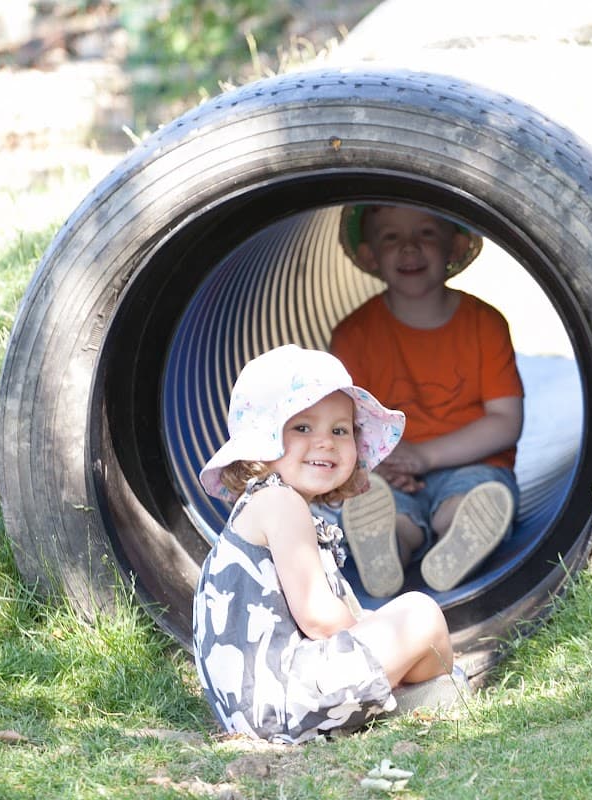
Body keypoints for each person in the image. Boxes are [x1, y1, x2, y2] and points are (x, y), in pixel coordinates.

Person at [193, 344, 465, 744]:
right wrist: (370, 640)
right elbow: (319, 617)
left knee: (389, 621)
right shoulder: (281, 503)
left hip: (262, 706)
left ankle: (404, 690)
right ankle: (414, 692)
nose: (325, 442)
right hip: (284, 703)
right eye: (302, 428)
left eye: (340, 430)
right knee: (419, 614)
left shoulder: (266, 504)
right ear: (262, 440)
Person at [331, 203, 524, 597]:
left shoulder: (485, 324)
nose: (409, 248)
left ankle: (459, 544)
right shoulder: (354, 334)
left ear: (453, 246)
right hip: (389, 470)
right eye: (391, 237)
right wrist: (378, 466)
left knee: (473, 500)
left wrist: (425, 456)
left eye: (426, 234)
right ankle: (386, 550)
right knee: (388, 511)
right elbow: (343, 422)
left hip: (472, 463)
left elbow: (506, 420)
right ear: (369, 255)